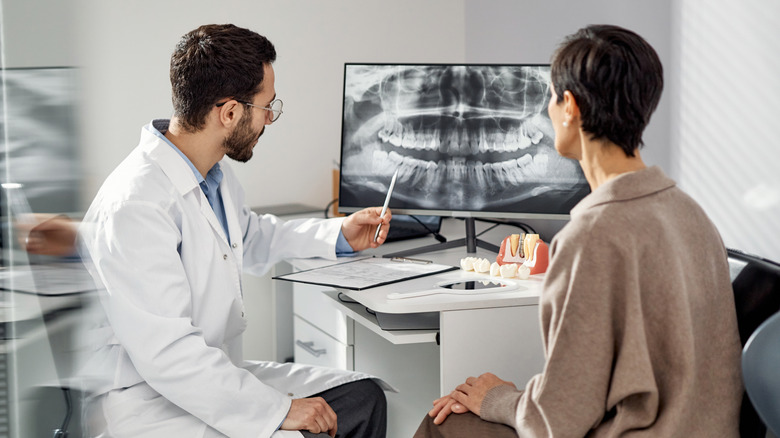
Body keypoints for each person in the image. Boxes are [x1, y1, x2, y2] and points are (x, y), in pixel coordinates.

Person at [414, 24, 742, 437]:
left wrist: (498, 398)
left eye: (550, 96)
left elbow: (557, 422)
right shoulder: (692, 214)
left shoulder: (590, 236)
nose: (549, 109)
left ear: (569, 106)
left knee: (445, 420)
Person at [78, 24, 390, 438]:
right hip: (150, 403)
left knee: (363, 397)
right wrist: (280, 410)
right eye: (267, 106)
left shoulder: (210, 175)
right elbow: (170, 356)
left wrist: (339, 234)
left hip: (209, 381)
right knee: (300, 431)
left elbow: (249, 235)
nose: (269, 120)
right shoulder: (135, 205)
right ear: (229, 113)